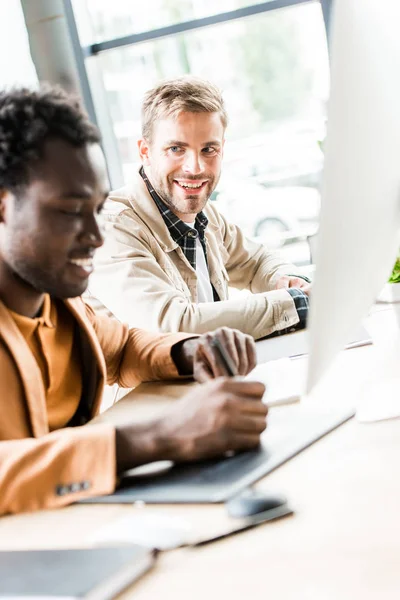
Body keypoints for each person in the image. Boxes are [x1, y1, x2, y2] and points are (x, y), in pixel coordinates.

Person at [0, 86, 267, 515]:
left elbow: (122, 348)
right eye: (70, 212)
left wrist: (189, 352)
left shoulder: (55, 305)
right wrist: (158, 436)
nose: (96, 236)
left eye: (96, 208)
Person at [88, 76, 311, 339]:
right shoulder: (110, 229)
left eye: (208, 149)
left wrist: (287, 280)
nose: (195, 168)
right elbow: (174, 325)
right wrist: (296, 304)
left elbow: (257, 260)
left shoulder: (205, 217)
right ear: (145, 151)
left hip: (214, 376)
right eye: (175, 149)